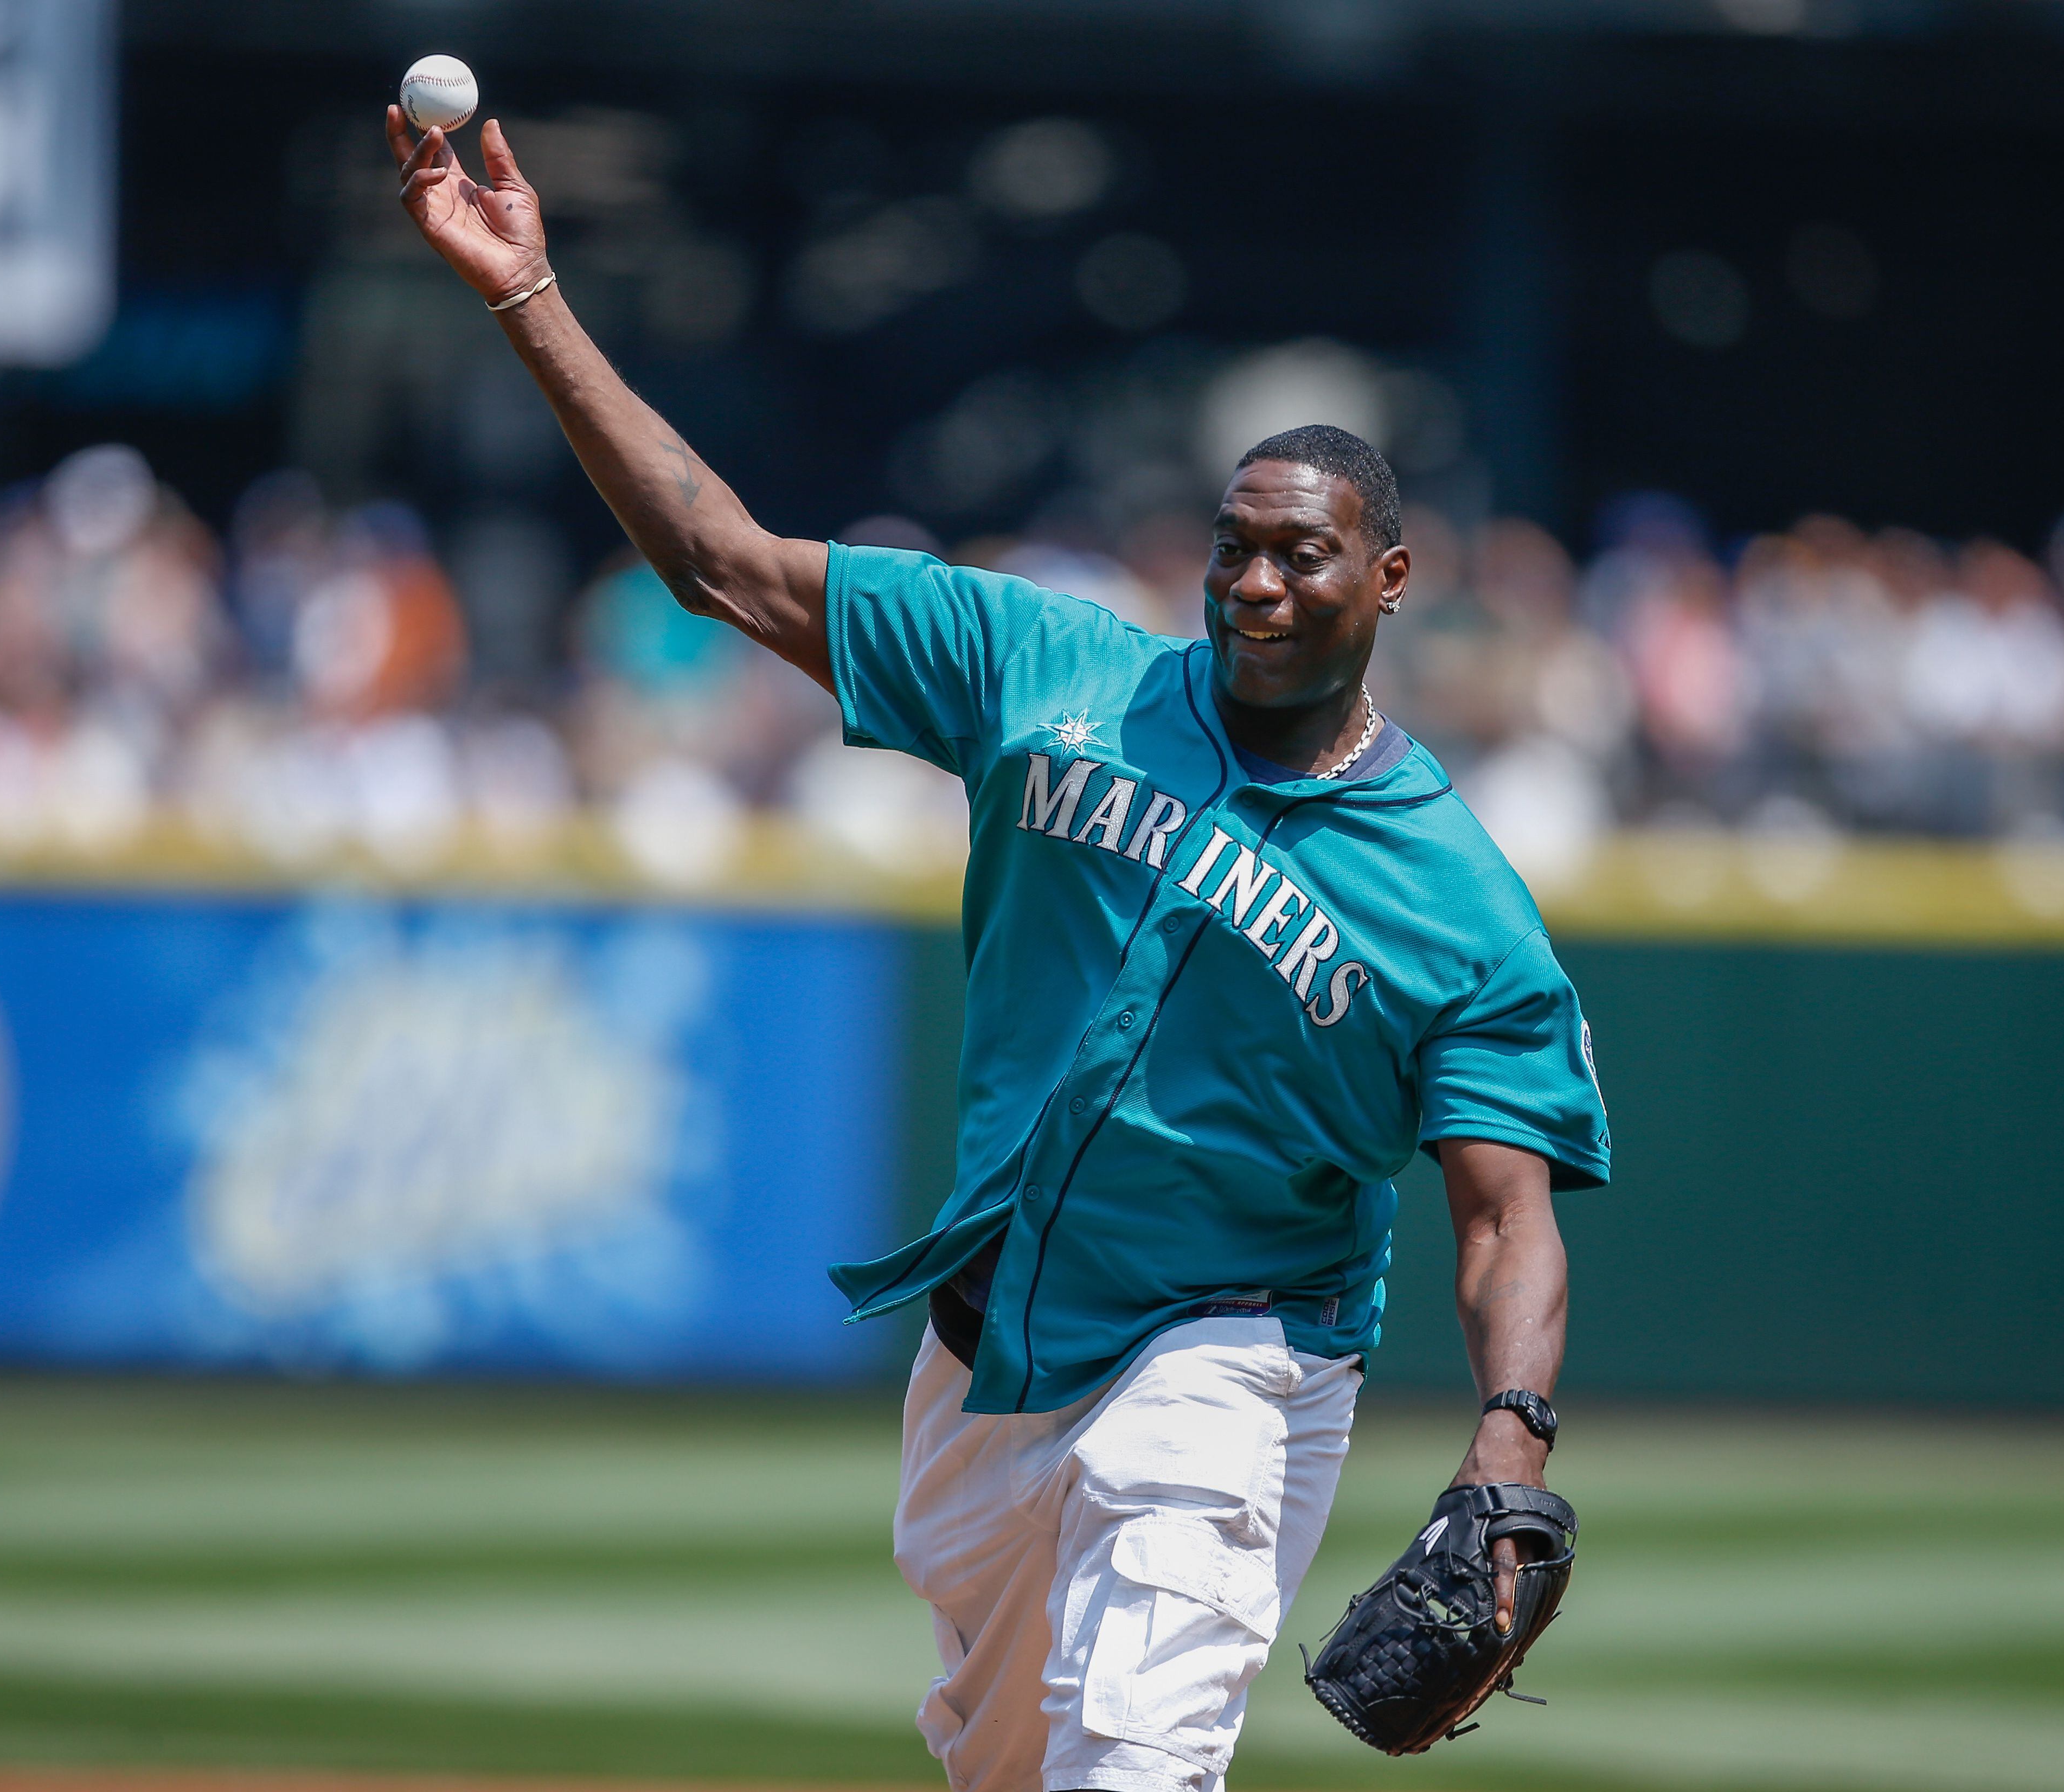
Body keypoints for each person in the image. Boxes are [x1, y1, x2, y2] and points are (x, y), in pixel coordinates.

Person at [390, 111, 1610, 1792]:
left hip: (1229, 1351)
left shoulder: (1456, 899)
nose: (1252, 583)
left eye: (1300, 552)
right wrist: (526, 290)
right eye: (1233, 546)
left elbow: (1501, 1217)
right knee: (1005, 1767)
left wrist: (1506, 1446)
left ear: (1389, 577)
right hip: (984, 1350)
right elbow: (719, 564)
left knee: (1132, 1763)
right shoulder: (1043, 668)